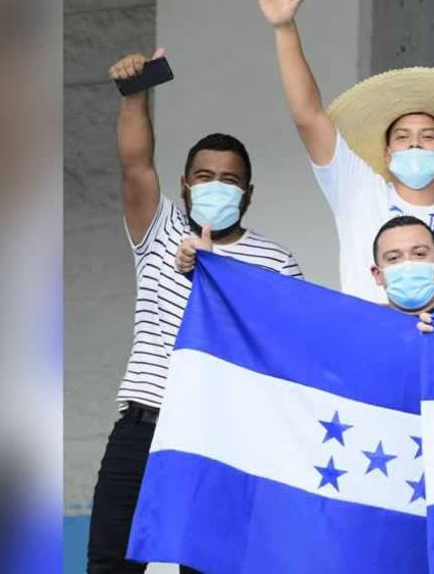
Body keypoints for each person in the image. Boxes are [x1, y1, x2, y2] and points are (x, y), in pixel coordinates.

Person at [89, 49, 303, 574]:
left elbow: (283, 350)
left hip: (222, 433)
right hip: (144, 425)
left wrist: (218, 275)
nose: (215, 186)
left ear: (248, 194)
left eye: (228, 180)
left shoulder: (276, 262)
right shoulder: (159, 230)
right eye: (203, 176)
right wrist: (135, 92)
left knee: (213, 566)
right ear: (185, 185)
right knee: (109, 565)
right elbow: (135, 162)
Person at [249, 0, 434, 304]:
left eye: (428, 136)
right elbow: (309, 118)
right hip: (365, 345)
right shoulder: (360, 192)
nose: (415, 142)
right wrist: (284, 29)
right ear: (387, 155)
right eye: (402, 137)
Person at [371, 216, 434, 315]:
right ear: (377, 275)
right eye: (394, 258)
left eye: (419, 254)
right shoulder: (363, 327)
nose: (408, 266)